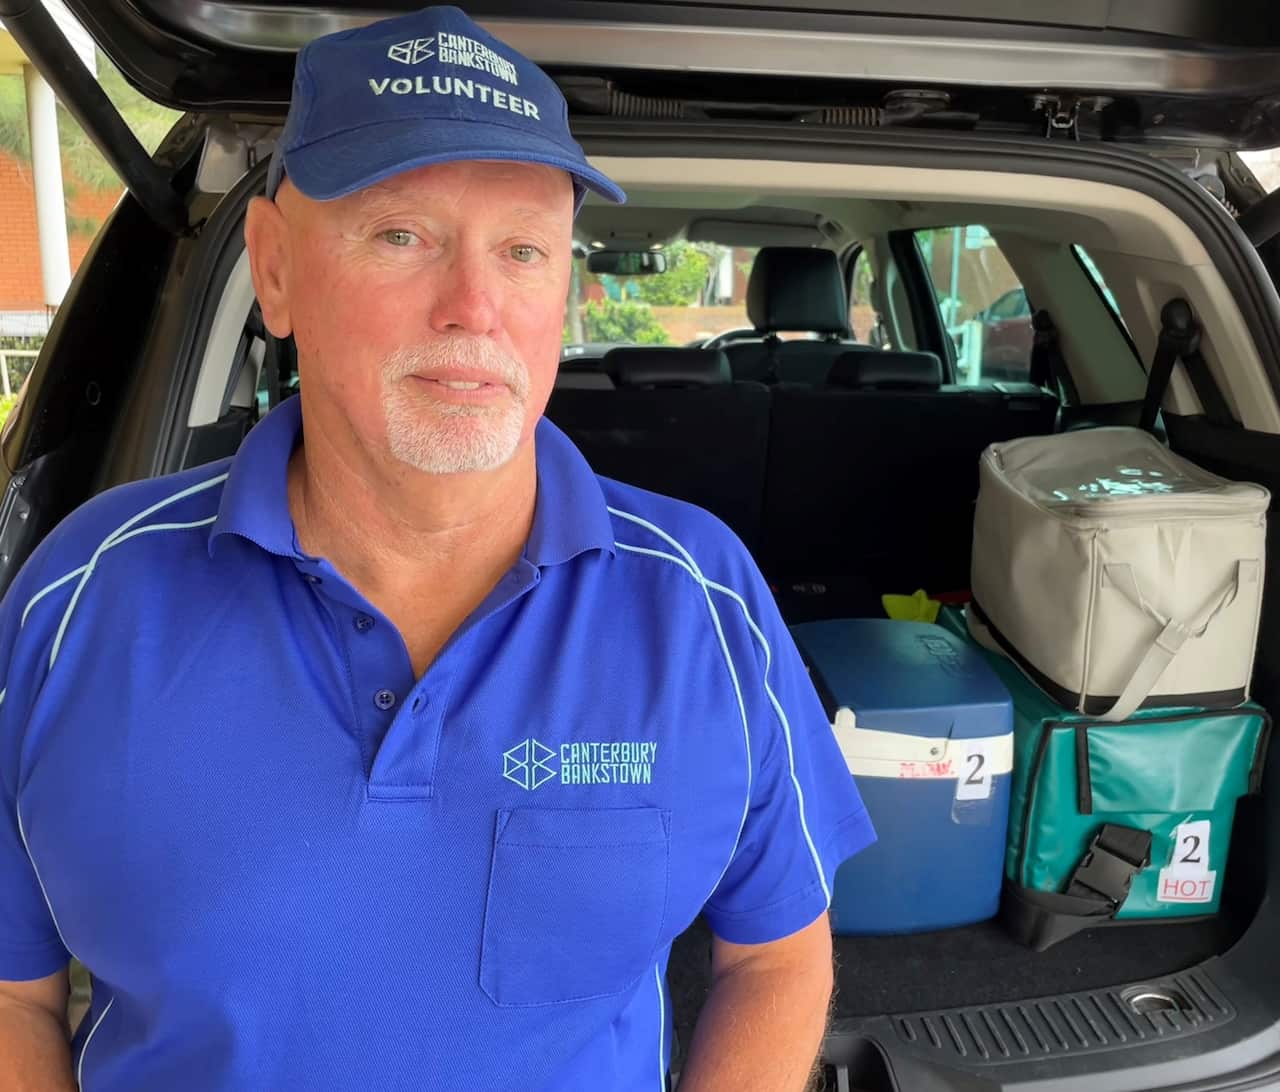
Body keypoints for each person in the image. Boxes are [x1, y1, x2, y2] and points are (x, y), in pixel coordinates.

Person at [0, 7, 874, 1090]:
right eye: (402, 234)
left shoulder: (699, 600)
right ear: (275, 270)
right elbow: (9, 992)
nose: (474, 308)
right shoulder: (79, 601)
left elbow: (777, 954)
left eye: (521, 250)